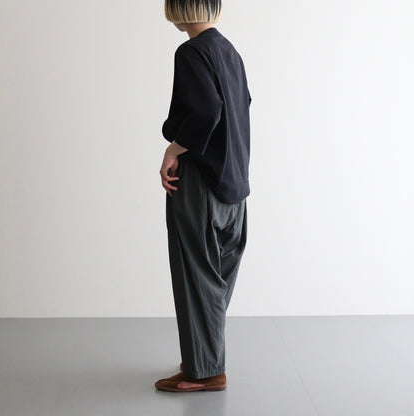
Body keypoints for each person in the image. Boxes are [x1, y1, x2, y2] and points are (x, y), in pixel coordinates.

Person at [155, 0, 252, 392]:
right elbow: (239, 109)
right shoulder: (230, 51)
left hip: (200, 182)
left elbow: (206, 111)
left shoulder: (191, 52)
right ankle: (203, 359)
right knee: (215, 280)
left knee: (195, 275)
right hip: (234, 185)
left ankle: (207, 372)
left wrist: (173, 149)